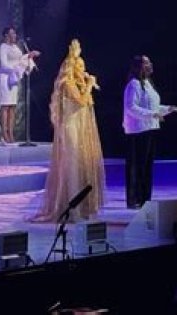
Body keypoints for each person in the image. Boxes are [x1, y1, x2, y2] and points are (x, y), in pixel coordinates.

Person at [31, 39, 105, 222]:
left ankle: (84, 206)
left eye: (83, 66)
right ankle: (72, 208)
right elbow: (81, 101)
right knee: (72, 165)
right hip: (70, 128)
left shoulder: (79, 83)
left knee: (81, 164)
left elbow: (86, 103)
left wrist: (87, 84)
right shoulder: (67, 83)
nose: (83, 69)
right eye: (79, 66)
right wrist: (90, 84)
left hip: (80, 128)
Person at [122, 55, 177, 209]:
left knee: (147, 167)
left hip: (150, 128)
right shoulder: (134, 84)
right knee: (137, 166)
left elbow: (153, 107)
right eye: (146, 63)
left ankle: (145, 198)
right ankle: (135, 199)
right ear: (139, 66)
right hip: (137, 131)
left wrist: (168, 109)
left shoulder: (148, 83)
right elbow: (131, 107)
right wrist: (153, 114)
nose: (150, 64)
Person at [0, 26, 40, 144]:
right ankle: (4, 133)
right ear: (6, 35)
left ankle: (11, 132)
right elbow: (4, 64)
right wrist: (16, 68)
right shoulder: (3, 47)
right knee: (5, 105)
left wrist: (29, 56)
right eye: (12, 33)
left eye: (15, 33)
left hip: (14, 78)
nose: (15, 35)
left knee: (12, 106)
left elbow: (20, 60)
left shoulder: (16, 47)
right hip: (4, 77)